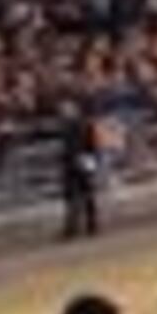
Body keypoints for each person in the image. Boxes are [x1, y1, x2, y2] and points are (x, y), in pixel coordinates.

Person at [53, 103, 102, 241]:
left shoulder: (75, 126)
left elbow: (86, 144)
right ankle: (86, 225)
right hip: (81, 159)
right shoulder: (82, 125)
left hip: (77, 160)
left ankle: (79, 226)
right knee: (84, 193)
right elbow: (91, 145)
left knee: (79, 194)